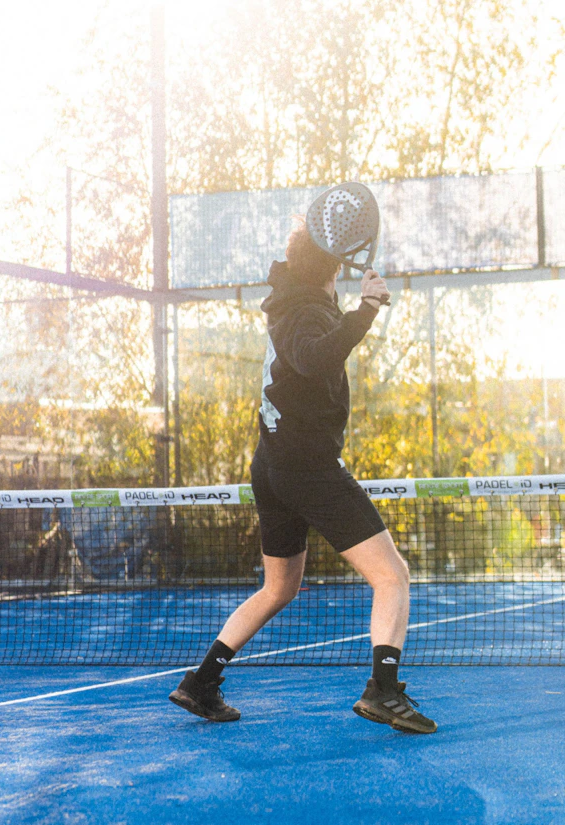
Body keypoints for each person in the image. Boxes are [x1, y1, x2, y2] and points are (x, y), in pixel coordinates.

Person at [169, 216, 436, 734]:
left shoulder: (294, 302)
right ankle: (382, 692)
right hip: (306, 468)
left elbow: (313, 353)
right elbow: (316, 357)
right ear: (330, 268)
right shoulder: (306, 310)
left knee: (280, 587)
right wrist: (366, 309)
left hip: (272, 465)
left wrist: (355, 308)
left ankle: (201, 682)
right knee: (392, 575)